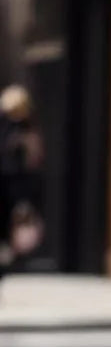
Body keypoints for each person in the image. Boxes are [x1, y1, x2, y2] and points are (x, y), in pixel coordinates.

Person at [0, 84, 45, 271]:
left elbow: (34, 158)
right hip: (6, 182)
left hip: (20, 185)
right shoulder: (5, 128)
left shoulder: (28, 129)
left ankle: (15, 256)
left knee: (19, 221)